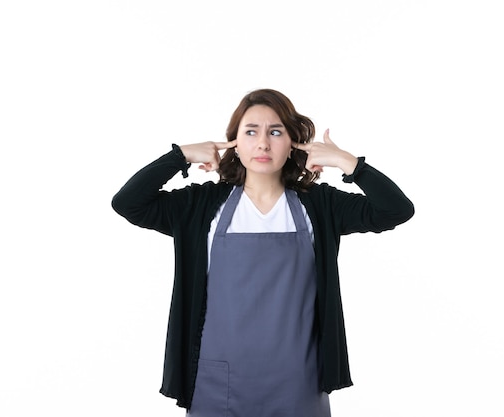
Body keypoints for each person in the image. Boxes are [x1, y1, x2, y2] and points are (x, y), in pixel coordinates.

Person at [111, 88, 414, 416]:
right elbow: (127, 203)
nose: (263, 143)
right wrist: (179, 156)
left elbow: (396, 210)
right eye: (251, 131)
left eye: (275, 132)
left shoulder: (320, 205)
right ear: (234, 143)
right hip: (216, 386)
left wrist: (346, 162)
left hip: (300, 383)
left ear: (293, 142)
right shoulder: (199, 207)